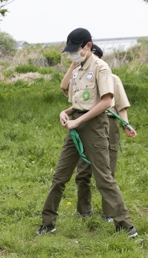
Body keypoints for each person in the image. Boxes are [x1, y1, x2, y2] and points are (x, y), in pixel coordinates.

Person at [37, 28, 137, 238]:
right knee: (59, 177)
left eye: (77, 49)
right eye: (71, 50)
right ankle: (48, 223)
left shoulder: (101, 68)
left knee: (104, 178)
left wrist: (79, 121)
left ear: (88, 46)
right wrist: (66, 112)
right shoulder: (78, 70)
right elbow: (78, 103)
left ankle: (125, 226)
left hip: (94, 126)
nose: (73, 54)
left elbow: (107, 102)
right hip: (77, 124)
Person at [60, 44, 137, 223]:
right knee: (83, 169)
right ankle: (84, 209)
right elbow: (64, 87)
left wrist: (126, 124)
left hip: (107, 122)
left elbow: (121, 106)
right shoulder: (80, 74)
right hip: (86, 122)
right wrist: (73, 64)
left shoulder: (111, 77)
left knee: (106, 170)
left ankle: (110, 213)